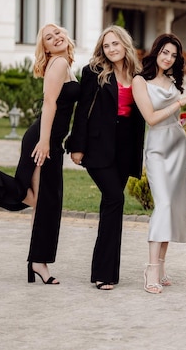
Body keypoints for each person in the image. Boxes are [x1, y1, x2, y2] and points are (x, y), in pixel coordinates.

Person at [0, 23, 79, 284]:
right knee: (44, 201)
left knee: (39, 199)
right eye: (49, 37)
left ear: (66, 35)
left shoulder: (64, 63)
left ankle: (37, 261)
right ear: (44, 48)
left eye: (58, 33)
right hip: (43, 140)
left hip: (49, 140)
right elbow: (49, 103)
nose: (56, 38)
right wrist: (45, 141)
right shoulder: (57, 64)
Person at [67, 25, 146, 291]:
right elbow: (82, 111)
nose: (111, 49)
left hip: (125, 148)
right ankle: (103, 272)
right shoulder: (93, 73)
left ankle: (107, 272)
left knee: (112, 206)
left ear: (125, 45)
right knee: (114, 198)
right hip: (98, 148)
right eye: (106, 45)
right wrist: (76, 146)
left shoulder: (137, 74)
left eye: (115, 44)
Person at [131, 33, 186, 294]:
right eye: (164, 52)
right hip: (157, 147)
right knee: (164, 205)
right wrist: (180, 102)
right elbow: (150, 117)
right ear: (155, 51)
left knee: (173, 207)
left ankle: (161, 264)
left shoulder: (171, 79)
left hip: (178, 145)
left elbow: (178, 117)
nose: (168, 58)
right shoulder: (140, 81)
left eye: (173, 55)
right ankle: (150, 268)